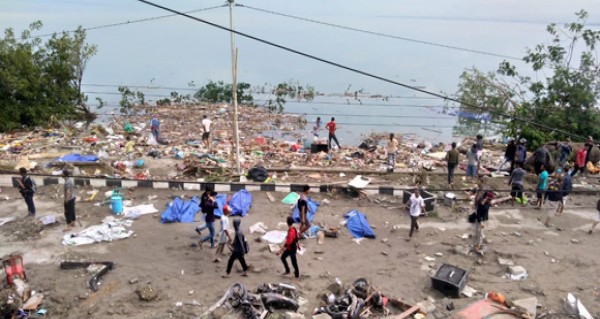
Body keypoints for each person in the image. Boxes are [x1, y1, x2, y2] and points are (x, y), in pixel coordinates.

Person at [473, 181, 494, 255]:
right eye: (488, 199)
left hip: (482, 219)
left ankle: (478, 245)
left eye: (490, 199)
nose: (489, 200)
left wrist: (482, 221)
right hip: (479, 218)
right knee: (478, 232)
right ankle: (477, 245)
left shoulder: (487, 203)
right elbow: (479, 213)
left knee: (480, 232)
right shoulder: (482, 203)